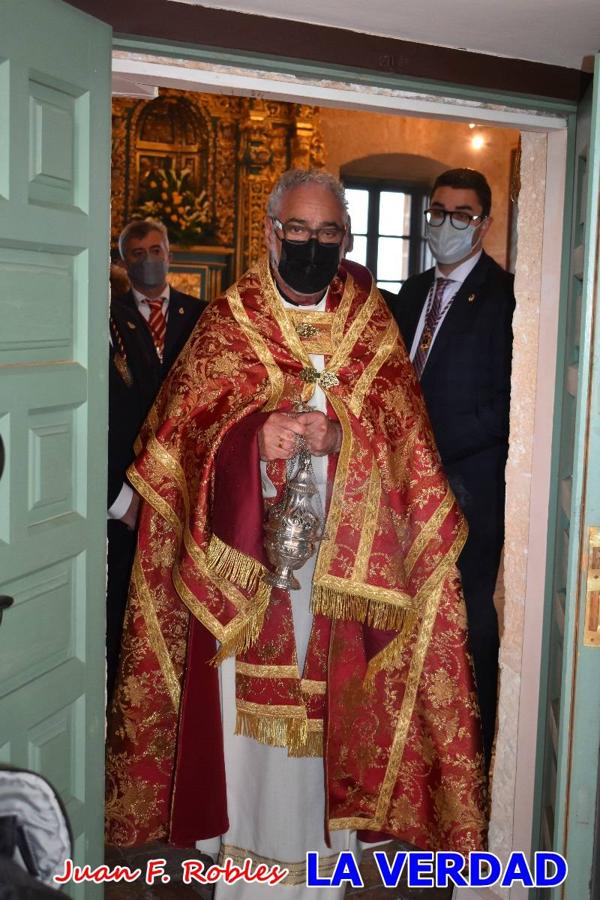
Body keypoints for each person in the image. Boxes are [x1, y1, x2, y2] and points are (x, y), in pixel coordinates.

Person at [105, 171, 488, 895]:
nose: (314, 247)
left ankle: (323, 871)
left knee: (329, 721)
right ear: (273, 232)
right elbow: (178, 444)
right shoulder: (229, 321)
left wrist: (343, 434)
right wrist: (254, 436)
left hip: (341, 576)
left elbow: (408, 441)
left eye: (328, 235)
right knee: (246, 734)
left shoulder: (371, 321)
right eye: (300, 233)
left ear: (344, 236)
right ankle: (247, 867)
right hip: (246, 575)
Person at [389, 168, 515, 770]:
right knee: (406, 630)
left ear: (483, 224)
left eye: (461, 215)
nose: (445, 225)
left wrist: (425, 443)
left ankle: (468, 772)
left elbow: (507, 406)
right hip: (399, 497)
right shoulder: (410, 293)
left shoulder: (507, 299)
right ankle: (409, 765)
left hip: (467, 497)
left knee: (465, 637)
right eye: (438, 212)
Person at [107, 219, 206, 700]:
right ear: (123, 261)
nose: (150, 259)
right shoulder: (112, 313)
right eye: (138, 252)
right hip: (129, 472)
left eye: (157, 249)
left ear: (170, 253)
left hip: (186, 472)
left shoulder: (200, 314)